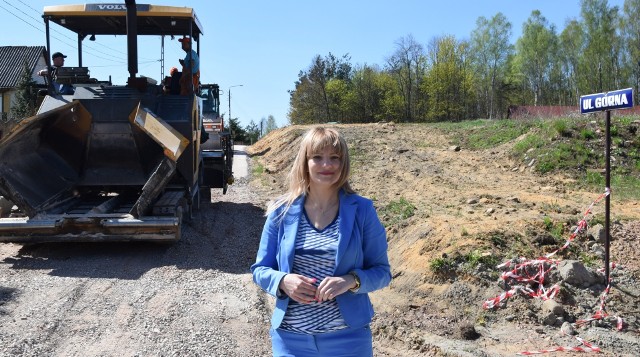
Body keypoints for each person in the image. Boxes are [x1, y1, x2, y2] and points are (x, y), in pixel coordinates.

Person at [251, 127, 391, 357]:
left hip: (348, 341)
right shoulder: (280, 210)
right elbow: (260, 270)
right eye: (317, 157)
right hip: (290, 341)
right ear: (304, 161)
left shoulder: (363, 210)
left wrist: (350, 281)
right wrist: (283, 280)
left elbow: (382, 272)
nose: (327, 165)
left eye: (334, 158)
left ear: (343, 162)